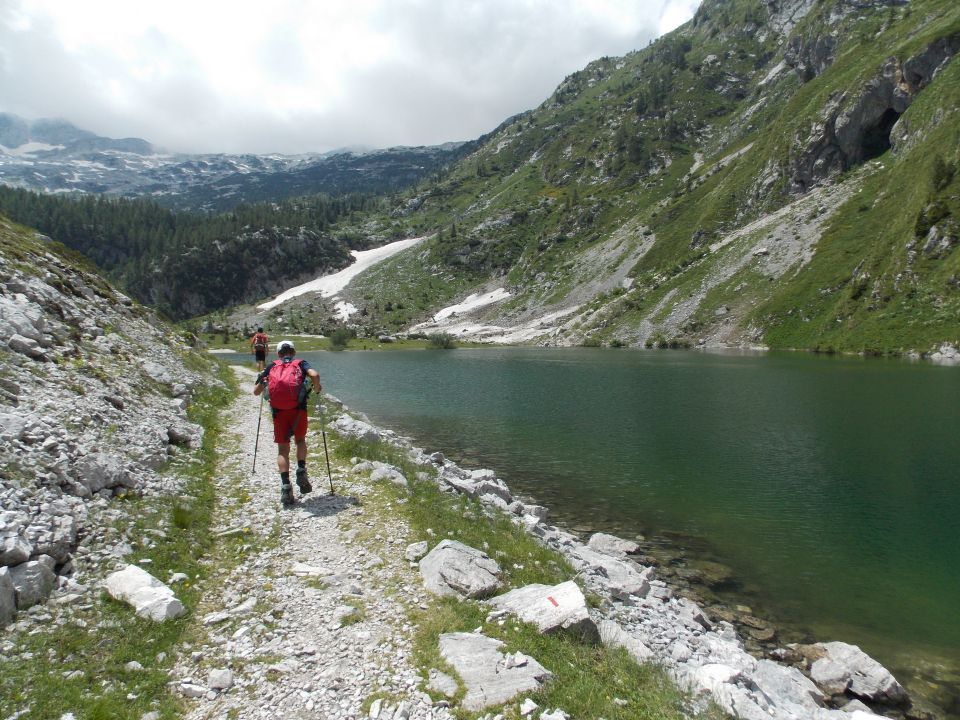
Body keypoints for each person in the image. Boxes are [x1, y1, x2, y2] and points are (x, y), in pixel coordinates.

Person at [254, 340, 322, 507]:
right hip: (299, 410)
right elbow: (314, 375)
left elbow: (256, 392)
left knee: (283, 450)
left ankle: (285, 485)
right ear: (294, 351)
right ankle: (301, 468)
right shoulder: (301, 363)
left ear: (278, 354)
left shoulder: (271, 366)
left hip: (279, 413)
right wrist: (317, 388)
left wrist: (264, 381)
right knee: (300, 440)